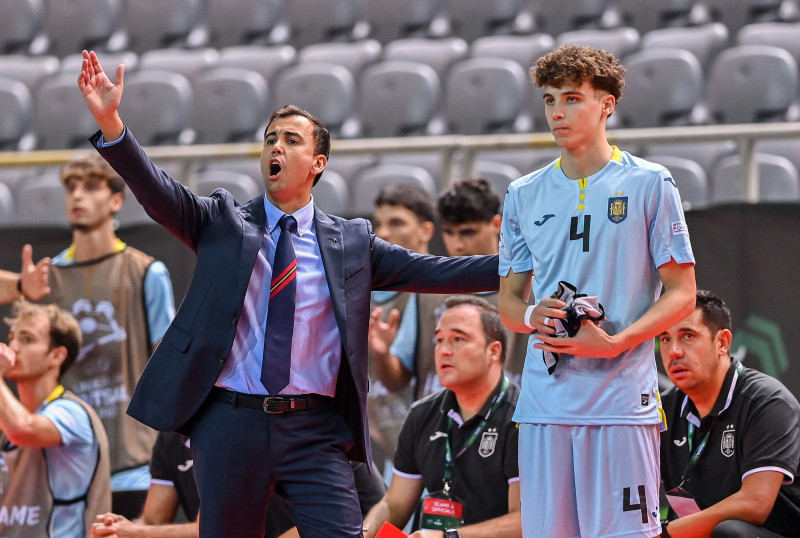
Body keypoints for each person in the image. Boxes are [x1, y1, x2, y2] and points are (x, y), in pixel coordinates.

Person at [77, 50, 499, 537]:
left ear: (317, 163)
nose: (275, 146)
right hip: (230, 422)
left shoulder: (353, 242)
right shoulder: (222, 222)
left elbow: (439, 272)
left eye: (290, 139)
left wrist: (526, 266)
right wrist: (112, 124)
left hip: (314, 429)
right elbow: (156, 190)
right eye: (269, 139)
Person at [497, 45, 697, 537]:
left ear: (606, 104)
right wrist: (530, 316)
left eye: (571, 98)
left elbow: (682, 293)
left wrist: (614, 342)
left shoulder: (652, 183)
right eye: (548, 101)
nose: (557, 113)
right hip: (545, 406)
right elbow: (507, 304)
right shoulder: (523, 193)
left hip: (622, 403)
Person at [0, 153, 176, 492]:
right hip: (62, 462)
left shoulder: (146, 273)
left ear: (116, 201)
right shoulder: (45, 279)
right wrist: (21, 287)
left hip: (133, 463)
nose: (78, 196)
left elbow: (167, 367)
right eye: (71, 189)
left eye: (91, 187)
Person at [363, 295, 521, 538]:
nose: (444, 351)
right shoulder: (422, 414)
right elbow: (394, 505)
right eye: (439, 340)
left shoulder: (522, 419)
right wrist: (363, 534)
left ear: (493, 351)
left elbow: (525, 522)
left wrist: (448, 536)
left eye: (458, 339)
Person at [371, 178, 528, 402]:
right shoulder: (426, 293)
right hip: (439, 429)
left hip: (511, 426)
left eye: (468, 232)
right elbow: (398, 380)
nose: (458, 244)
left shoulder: (530, 288)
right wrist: (382, 353)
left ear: (496, 224)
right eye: (449, 232)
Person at [659, 290, 800, 538]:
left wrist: (661, 534)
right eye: (666, 339)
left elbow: (754, 506)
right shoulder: (662, 409)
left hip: (775, 532)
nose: (674, 352)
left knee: (730, 533)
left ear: (722, 342)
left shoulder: (767, 401)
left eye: (688, 336)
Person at [91, 431, 386, 538]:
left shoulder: (259, 425)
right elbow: (154, 520)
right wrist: (120, 531)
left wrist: (137, 532)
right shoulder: (170, 437)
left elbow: (217, 525)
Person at [0, 301, 111, 537]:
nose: (13, 347)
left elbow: (22, 429)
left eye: (27, 339)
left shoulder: (73, 413)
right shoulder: (6, 419)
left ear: (56, 356)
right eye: (12, 338)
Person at [369, 184, 437, 475]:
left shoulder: (441, 294)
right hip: (369, 448)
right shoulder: (352, 289)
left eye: (396, 223)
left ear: (426, 231)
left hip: (427, 445)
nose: (383, 233)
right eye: (378, 224)